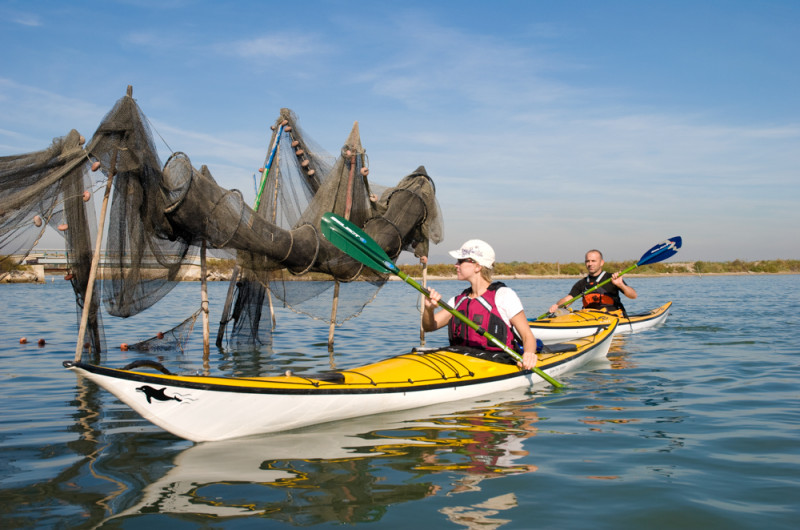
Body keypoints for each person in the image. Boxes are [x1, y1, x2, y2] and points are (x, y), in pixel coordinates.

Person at [422, 239, 539, 370]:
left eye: (461, 261)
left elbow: (527, 336)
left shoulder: (504, 296)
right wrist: (429, 309)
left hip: (497, 363)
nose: (456, 265)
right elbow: (429, 326)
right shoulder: (457, 301)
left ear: (478, 266)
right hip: (461, 360)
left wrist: (529, 354)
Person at [549, 249, 637, 314]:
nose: (590, 264)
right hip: (589, 317)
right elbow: (568, 299)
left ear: (601, 262)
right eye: (588, 261)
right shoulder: (581, 283)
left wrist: (621, 285)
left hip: (611, 317)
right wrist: (557, 306)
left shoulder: (612, 278)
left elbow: (633, 296)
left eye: (593, 261)